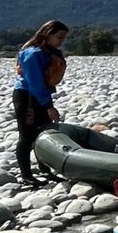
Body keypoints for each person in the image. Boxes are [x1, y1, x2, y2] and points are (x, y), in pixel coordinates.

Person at [12, 20, 68, 185]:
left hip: (39, 96)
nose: (61, 41)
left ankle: (46, 171)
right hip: (27, 97)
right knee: (27, 136)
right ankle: (26, 175)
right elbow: (35, 83)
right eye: (59, 37)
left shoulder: (49, 53)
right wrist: (48, 106)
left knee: (43, 134)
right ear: (47, 34)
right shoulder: (32, 54)